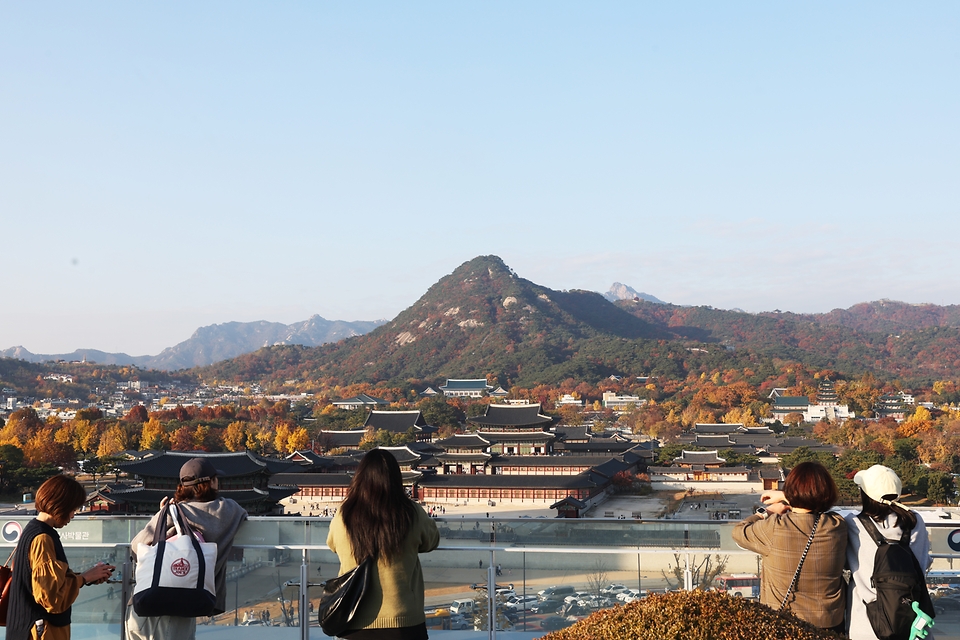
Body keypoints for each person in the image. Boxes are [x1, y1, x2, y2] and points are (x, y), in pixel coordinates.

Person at [126, 458, 248, 640]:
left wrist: (162, 516)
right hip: (186, 603)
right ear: (210, 483)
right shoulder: (229, 510)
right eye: (216, 479)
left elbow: (136, 547)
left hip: (150, 600)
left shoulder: (172, 511)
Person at [327, 449, 440, 639]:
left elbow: (333, 544)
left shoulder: (344, 514)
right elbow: (431, 540)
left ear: (359, 477)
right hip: (403, 621)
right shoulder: (410, 512)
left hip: (353, 620)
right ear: (396, 479)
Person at [732, 461, 847, 632]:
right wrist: (791, 497)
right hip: (829, 624)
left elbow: (739, 531)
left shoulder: (774, 528)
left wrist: (768, 511)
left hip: (784, 622)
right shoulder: (837, 526)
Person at [7, 475, 115, 640]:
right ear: (60, 505)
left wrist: (86, 576)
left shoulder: (33, 529)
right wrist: (84, 578)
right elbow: (51, 598)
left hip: (25, 628)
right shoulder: (43, 538)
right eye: (73, 509)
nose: (73, 515)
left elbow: (47, 582)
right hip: (41, 630)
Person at [845, 465, 931, 640]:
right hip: (912, 622)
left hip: (867, 625)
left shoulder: (853, 524)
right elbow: (925, 562)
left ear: (865, 494)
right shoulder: (915, 522)